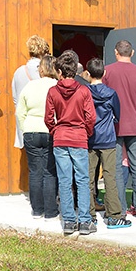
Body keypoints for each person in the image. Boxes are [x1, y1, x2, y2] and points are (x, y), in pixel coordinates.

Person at [46, 50, 97, 235]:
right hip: (79, 137)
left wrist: (55, 130)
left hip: (60, 137)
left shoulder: (53, 91)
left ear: (59, 71)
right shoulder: (84, 90)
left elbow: (48, 118)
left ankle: (68, 221)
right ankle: (84, 221)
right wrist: (86, 132)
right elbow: (91, 117)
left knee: (65, 180)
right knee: (82, 180)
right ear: (75, 71)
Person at [102, 39, 136, 220]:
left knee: (116, 167)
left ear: (116, 52)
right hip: (134, 125)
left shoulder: (107, 72)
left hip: (114, 126)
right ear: (132, 53)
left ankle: (120, 208)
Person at [86, 58, 130, 229]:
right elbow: (117, 115)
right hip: (108, 138)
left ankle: (89, 215)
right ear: (104, 73)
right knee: (110, 177)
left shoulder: (84, 92)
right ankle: (114, 215)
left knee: (88, 178)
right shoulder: (111, 93)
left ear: (87, 73)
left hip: (90, 138)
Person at [15, 55, 58, 219]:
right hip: (50, 130)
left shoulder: (30, 85)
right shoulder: (56, 86)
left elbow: (20, 112)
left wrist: (24, 128)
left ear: (41, 69)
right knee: (49, 171)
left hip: (31, 130)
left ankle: (37, 210)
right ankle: (51, 211)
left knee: (34, 171)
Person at [13, 35, 51, 151]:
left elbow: (15, 98)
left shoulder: (19, 71)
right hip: (44, 123)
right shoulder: (44, 71)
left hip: (26, 123)